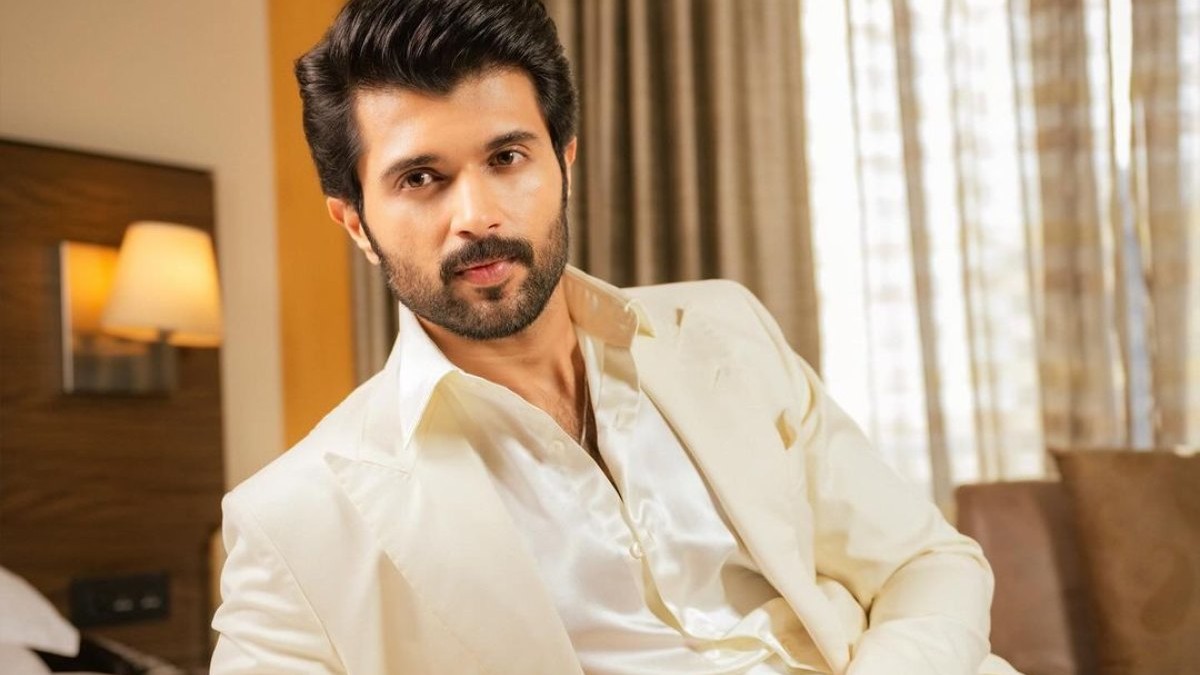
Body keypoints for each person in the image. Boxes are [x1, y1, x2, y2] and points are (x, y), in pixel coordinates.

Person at [211, 1, 1021, 673]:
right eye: (421, 178)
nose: (478, 215)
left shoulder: (725, 326)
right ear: (355, 221)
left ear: (563, 160)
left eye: (507, 157)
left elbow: (926, 563)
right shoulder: (294, 520)